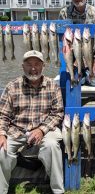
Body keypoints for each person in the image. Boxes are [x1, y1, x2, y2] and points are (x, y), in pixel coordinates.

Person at [0, 50, 65, 194]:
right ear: (23, 67)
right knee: (1, 151)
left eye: (37, 64)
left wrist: (42, 130)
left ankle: (58, 190)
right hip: (17, 131)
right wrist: (1, 134)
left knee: (52, 146)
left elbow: (57, 113)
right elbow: (3, 115)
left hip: (45, 130)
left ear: (43, 66)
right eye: (29, 64)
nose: (33, 68)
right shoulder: (12, 86)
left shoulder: (52, 86)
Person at [59, 0, 95, 85]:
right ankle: (78, 74)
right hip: (72, 56)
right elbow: (62, 40)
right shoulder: (64, 13)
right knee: (68, 83)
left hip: (91, 56)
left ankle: (87, 74)